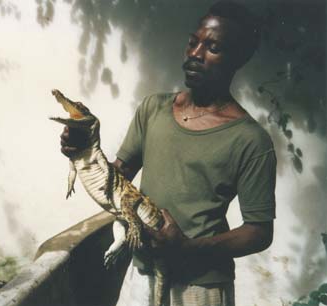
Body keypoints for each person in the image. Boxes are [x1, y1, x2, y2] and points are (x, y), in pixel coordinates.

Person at [60, 1, 276, 305]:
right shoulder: (154, 108)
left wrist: (188, 248)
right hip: (143, 272)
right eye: (193, 42)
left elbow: (259, 232)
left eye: (212, 47)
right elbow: (117, 180)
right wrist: (83, 152)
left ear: (237, 59)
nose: (195, 54)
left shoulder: (250, 140)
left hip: (201, 287)